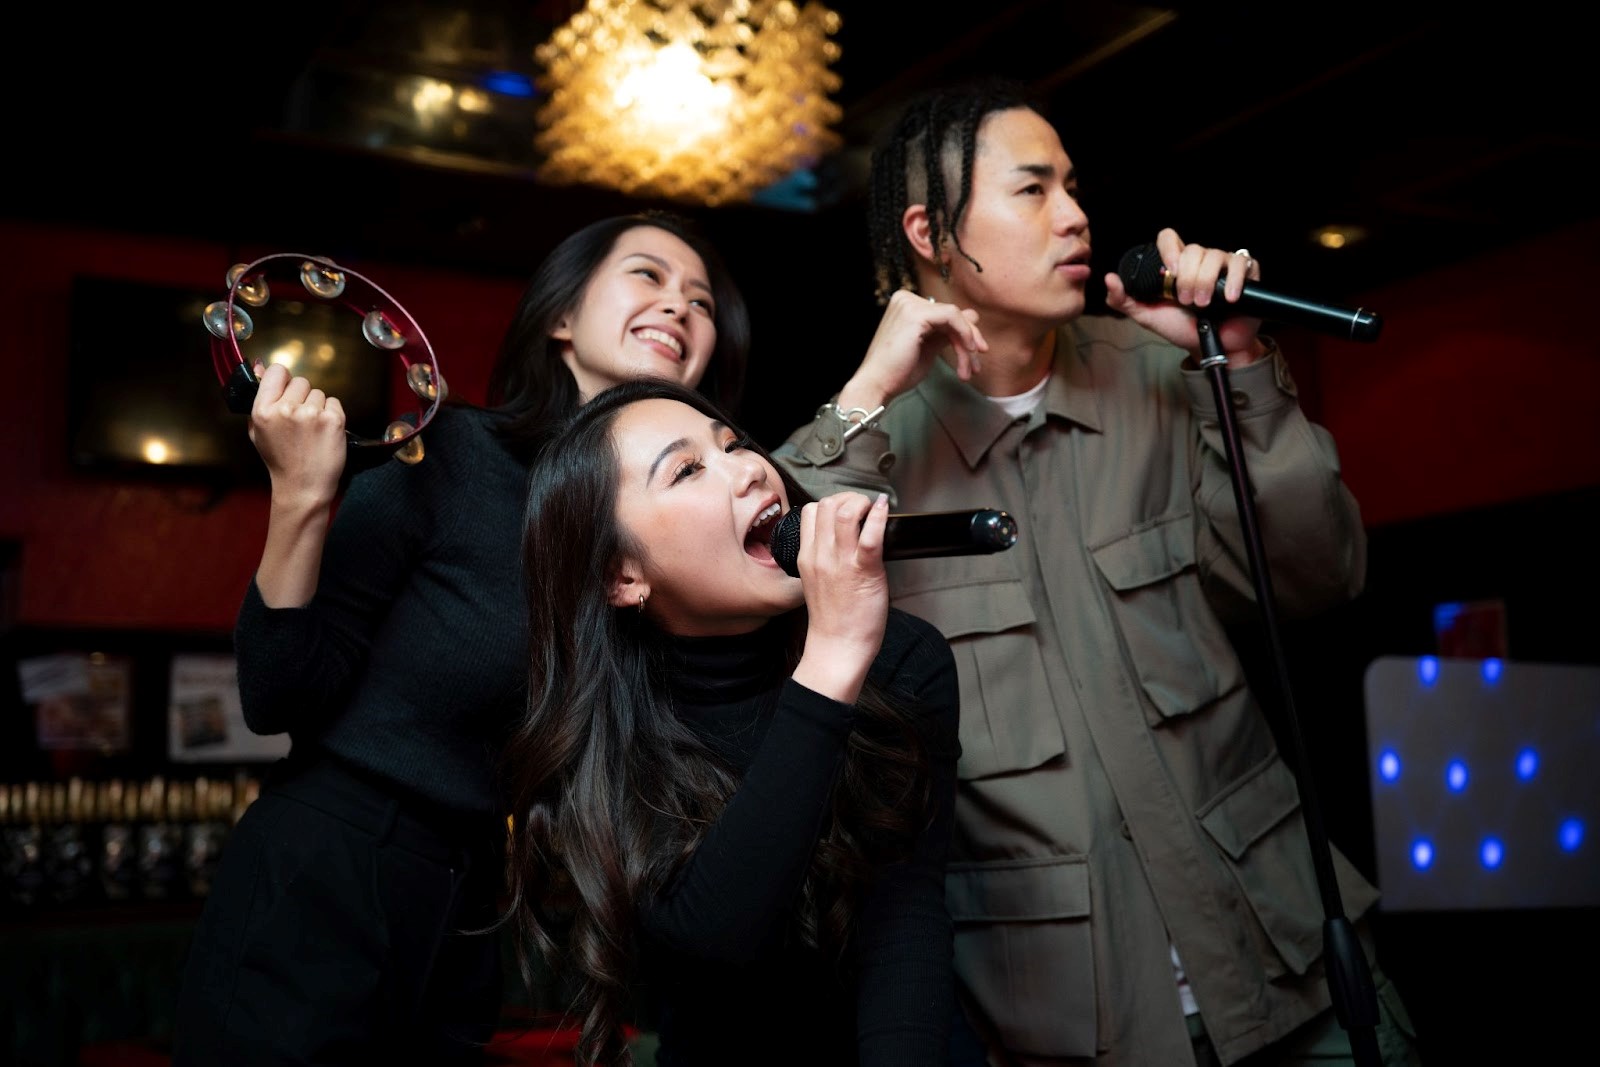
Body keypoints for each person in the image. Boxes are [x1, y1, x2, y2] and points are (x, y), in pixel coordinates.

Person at [774, 79, 1420, 1066]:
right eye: (1032, 189)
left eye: (1072, 186)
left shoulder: (1161, 372)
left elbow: (1319, 575)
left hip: (1292, 968)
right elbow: (780, 576)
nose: (1075, 215)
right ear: (928, 231)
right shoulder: (870, 449)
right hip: (1072, 1023)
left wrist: (1239, 366)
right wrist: (863, 393)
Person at [172, 212, 750, 1065]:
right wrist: (299, 496)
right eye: (648, 275)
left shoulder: (668, 527)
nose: (680, 306)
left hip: (478, 897)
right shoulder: (447, 455)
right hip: (327, 868)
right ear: (561, 316)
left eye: (701, 301)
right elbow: (275, 694)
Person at [503, 377, 960, 1066]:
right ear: (623, 577)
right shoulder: (607, 744)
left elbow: (906, 922)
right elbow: (714, 939)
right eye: (687, 470)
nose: (750, 468)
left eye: (734, 444)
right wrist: (833, 658)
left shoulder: (901, 659)